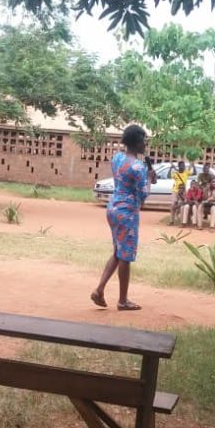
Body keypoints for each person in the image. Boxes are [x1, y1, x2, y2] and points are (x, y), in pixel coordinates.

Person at [92, 124, 152, 311]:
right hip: (127, 213)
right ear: (137, 142)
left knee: (118, 252)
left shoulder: (117, 158)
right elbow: (143, 196)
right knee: (125, 256)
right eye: (144, 140)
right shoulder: (138, 167)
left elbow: (124, 181)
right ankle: (123, 300)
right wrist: (149, 178)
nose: (146, 144)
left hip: (113, 208)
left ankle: (100, 290)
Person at [170, 159, 193, 224]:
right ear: (179, 166)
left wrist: (192, 165)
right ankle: (172, 220)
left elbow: (194, 173)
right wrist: (170, 168)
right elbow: (169, 176)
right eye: (182, 165)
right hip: (175, 190)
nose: (183, 167)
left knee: (183, 204)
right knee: (174, 203)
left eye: (184, 165)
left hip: (183, 191)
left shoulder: (186, 172)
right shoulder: (175, 173)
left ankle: (183, 219)